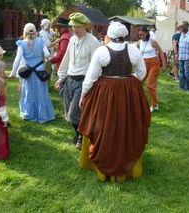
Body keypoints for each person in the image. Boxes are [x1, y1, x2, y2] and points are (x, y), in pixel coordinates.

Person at [78, 22, 150, 182]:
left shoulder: (101, 51)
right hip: (128, 93)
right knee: (127, 125)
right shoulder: (134, 50)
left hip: (106, 93)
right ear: (124, 35)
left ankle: (104, 165)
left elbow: (90, 78)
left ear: (109, 36)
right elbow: (142, 72)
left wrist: (83, 96)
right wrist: (130, 84)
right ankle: (128, 164)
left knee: (104, 125)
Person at [55, 13, 100, 149]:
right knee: (69, 114)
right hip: (70, 80)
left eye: (78, 26)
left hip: (83, 81)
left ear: (85, 26)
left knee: (74, 113)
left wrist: (91, 83)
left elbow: (96, 65)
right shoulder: (72, 40)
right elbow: (67, 60)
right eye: (73, 26)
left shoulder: (93, 42)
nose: (74, 29)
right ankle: (78, 134)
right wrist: (61, 78)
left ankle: (81, 136)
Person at [10, 23, 55, 123]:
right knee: (41, 94)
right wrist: (47, 59)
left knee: (29, 93)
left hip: (28, 72)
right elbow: (47, 53)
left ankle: (29, 114)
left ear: (24, 32)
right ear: (35, 31)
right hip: (40, 72)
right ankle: (42, 115)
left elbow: (17, 59)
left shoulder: (22, 43)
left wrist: (13, 73)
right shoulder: (41, 41)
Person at [137, 27, 167, 112]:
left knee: (150, 84)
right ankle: (140, 101)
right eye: (139, 35)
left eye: (142, 35)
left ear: (146, 33)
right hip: (143, 64)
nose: (141, 36)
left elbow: (161, 51)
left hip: (154, 64)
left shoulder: (152, 42)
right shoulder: (139, 43)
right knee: (138, 83)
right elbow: (137, 54)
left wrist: (164, 64)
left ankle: (154, 105)